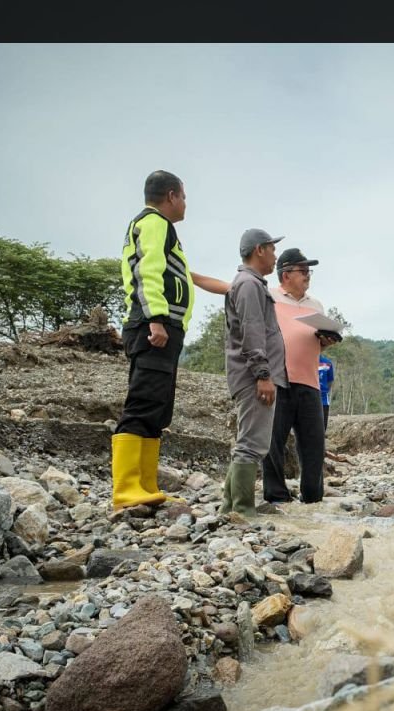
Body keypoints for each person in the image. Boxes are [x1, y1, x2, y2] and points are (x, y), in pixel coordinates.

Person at [111, 170, 230, 510]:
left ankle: (146, 485)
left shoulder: (160, 228)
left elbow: (174, 273)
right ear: (172, 195)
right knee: (144, 401)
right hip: (153, 328)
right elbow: (146, 272)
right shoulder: (154, 223)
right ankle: (126, 489)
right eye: (184, 197)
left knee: (158, 408)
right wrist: (156, 319)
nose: (186, 204)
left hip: (165, 329)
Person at [261, 248, 339, 504]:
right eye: (303, 271)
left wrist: (326, 341)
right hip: (278, 379)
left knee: (314, 443)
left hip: (310, 381)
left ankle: (313, 496)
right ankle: (276, 496)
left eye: (309, 271)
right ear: (286, 274)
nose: (307, 276)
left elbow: (316, 344)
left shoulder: (315, 305)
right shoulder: (268, 297)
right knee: (274, 441)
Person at [220, 228, 287, 516]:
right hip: (252, 377)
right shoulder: (248, 285)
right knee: (252, 443)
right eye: (272, 249)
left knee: (249, 440)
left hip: (250, 375)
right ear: (259, 250)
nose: (275, 255)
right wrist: (263, 374)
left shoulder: (250, 283)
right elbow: (252, 332)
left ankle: (229, 507)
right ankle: (243, 511)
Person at [318, 353, 335, 431]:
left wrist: (324, 391)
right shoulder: (305, 361)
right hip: (307, 400)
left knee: (322, 428)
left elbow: (330, 381)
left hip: (323, 400)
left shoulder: (328, 363)